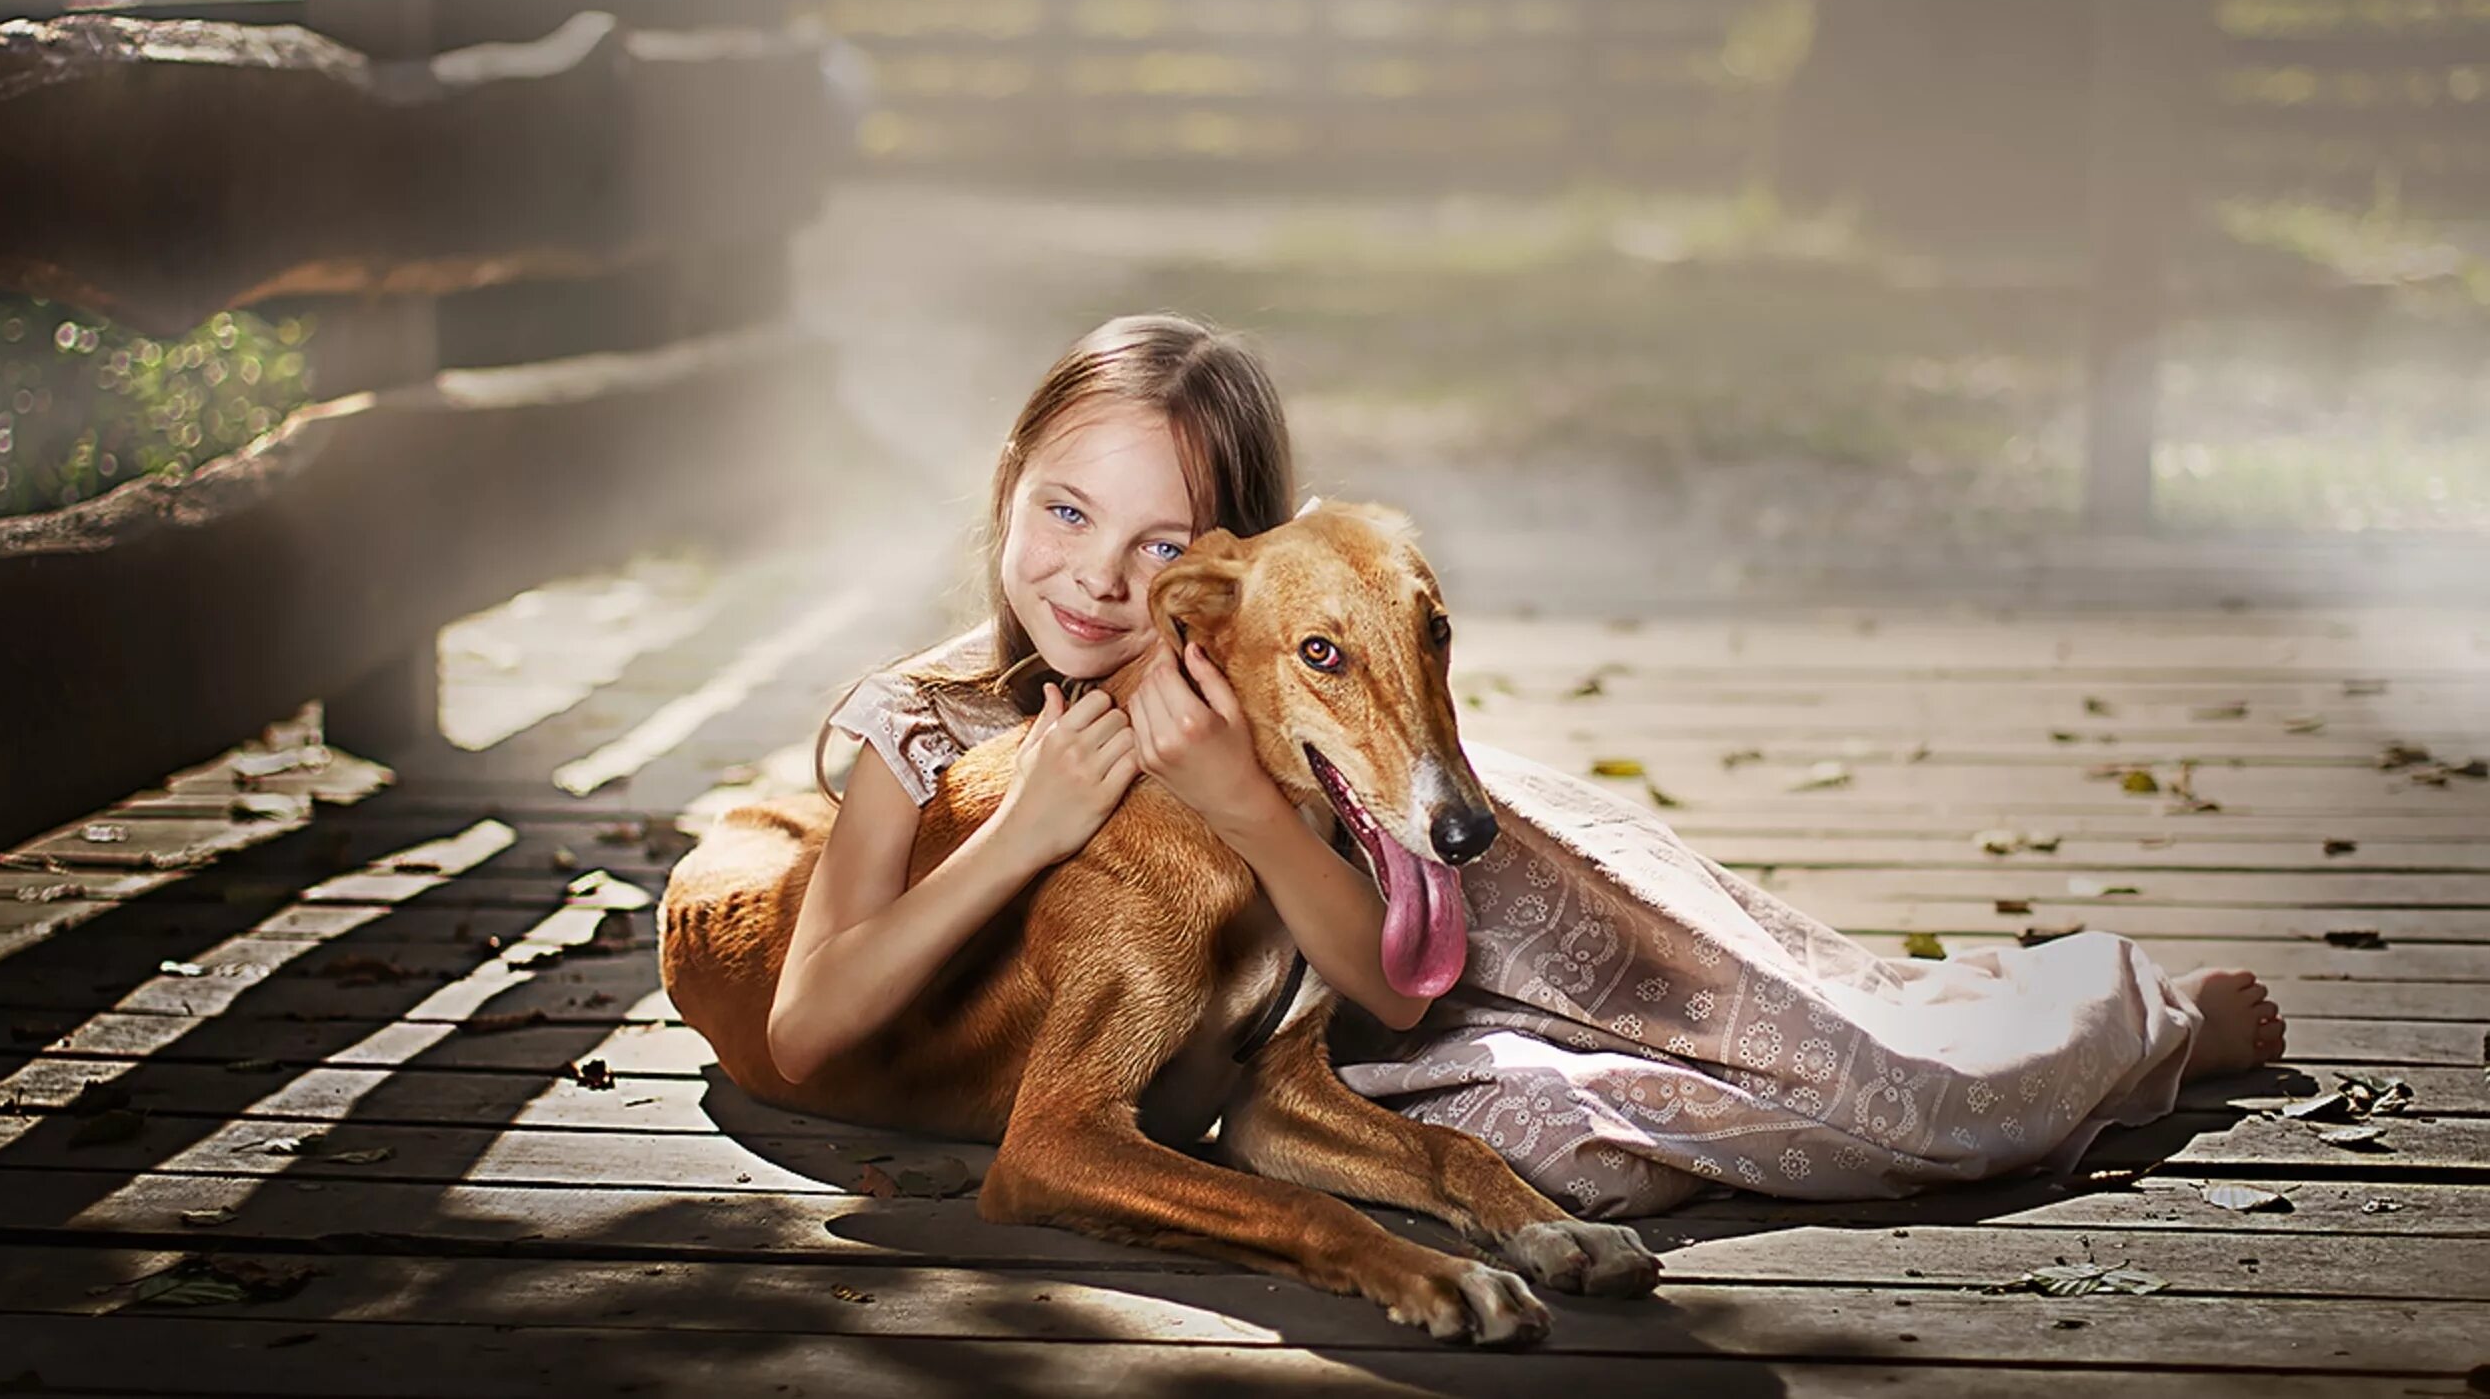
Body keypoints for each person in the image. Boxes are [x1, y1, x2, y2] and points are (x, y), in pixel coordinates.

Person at [745, 312, 2287, 1218]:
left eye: (1158, 541)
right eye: (1065, 511)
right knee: (1623, 1120)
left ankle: (2087, 1025)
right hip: (1309, 1029)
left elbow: (1399, 954)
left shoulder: (1222, 682)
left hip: (1422, 886)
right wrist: (1028, 831)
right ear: (1008, 484)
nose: (1097, 576)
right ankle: (2020, 1049)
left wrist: (1237, 796)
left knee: (1771, 1007)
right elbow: (811, 1027)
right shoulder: (917, 723)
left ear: (1224, 568)